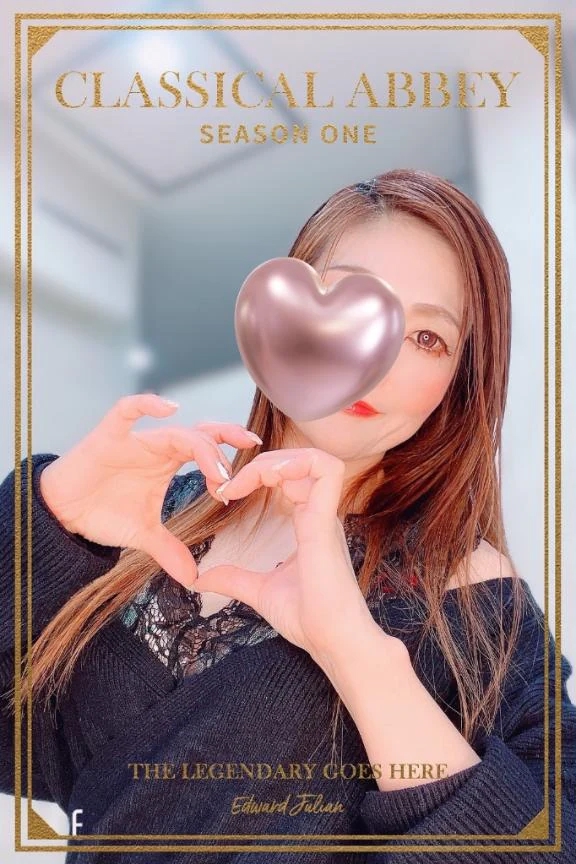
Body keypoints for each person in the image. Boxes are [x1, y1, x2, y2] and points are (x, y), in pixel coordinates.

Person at [1, 169, 575, 863]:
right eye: (351, 305)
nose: (372, 356)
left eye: (427, 338)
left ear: (458, 382)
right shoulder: (159, 515)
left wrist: (355, 653)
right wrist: (43, 520)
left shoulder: (474, 593)